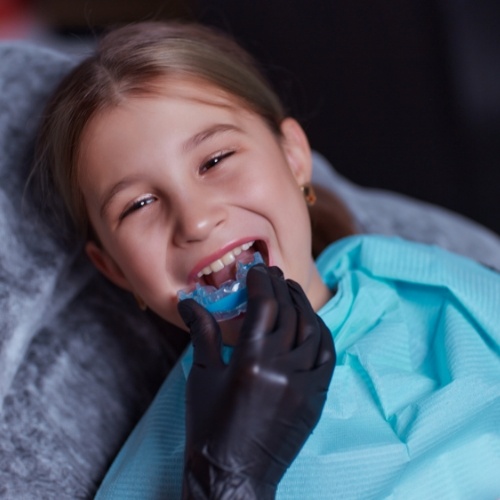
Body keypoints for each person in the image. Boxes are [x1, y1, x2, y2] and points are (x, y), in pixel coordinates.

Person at [34, 21, 500, 499]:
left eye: (215, 160)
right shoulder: (160, 471)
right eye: (138, 205)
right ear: (113, 268)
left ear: (294, 156)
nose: (194, 221)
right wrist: (225, 482)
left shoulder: (441, 286)